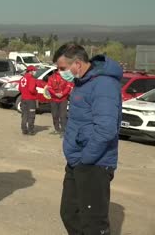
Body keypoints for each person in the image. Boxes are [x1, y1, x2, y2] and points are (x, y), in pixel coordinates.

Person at [54, 44, 122, 235]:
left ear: (77, 63)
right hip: (77, 161)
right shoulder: (82, 82)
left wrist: (86, 158)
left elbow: (106, 129)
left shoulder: (104, 85)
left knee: (93, 223)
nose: (60, 73)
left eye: (62, 68)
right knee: (69, 213)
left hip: (94, 164)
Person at [47, 69, 73, 136]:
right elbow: (49, 87)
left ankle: (63, 130)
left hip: (63, 99)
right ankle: (57, 129)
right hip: (53, 99)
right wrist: (55, 94)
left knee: (63, 115)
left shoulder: (67, 77)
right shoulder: (51, 77)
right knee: (55, 115)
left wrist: (62, 94)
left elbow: (68, 86)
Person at [19, 65, 38, 135]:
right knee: (31, 115)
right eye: (35, 70)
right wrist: (36, 92)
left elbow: (20, 89)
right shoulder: (32, 79)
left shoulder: (22, 79)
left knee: (24, 115)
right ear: (31, 71)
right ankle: (31, 130)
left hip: (23, 99)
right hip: (30, 100)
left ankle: (24, 129)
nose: (35, 72)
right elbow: (31, 89)